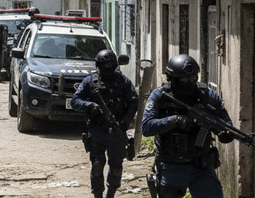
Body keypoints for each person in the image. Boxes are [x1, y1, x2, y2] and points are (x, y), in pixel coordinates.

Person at [141, 54, 234, 198]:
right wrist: (174, 121)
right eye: (184, 79)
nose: (189, 82)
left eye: (193, 78)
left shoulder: (207, 96)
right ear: (172, 79)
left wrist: (225, 133)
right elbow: (146, 127)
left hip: (201, 166)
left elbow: (226, 123)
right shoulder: (160, 96)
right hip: (171, 166)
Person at [71, 49, 139, 198]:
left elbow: (134, 102)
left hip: (117, 131)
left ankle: (111, 194)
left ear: (114, 64)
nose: (107, 67)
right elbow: (75, 101)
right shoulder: (90, 82)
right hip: (97, 129)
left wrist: (126, 120)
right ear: (98, 65)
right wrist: (89, 105)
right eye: (104, 64)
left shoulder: (124, 82)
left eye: (110, 64)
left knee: (116, 167)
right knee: (97, 164)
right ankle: (98, 194)